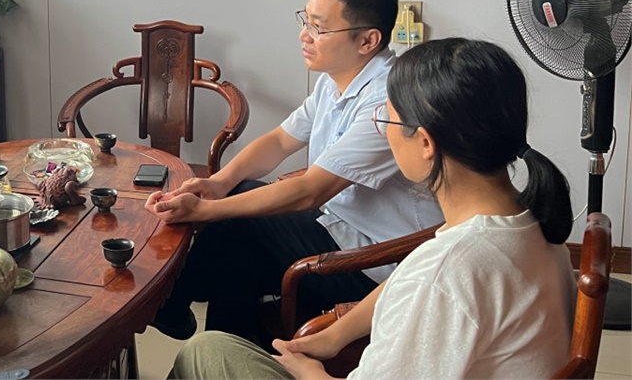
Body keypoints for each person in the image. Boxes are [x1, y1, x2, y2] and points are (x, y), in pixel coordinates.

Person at [170, 37, 576, 379]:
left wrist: (310, 373)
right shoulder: (533, 225)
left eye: (389, 120)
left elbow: (425, 281)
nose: (382, 127)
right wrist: (335, 335)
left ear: (425, 143)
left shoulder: (442, 274)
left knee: (205, 352)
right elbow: (406, 282)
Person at [147, 0, 443, 341]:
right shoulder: (334, 81)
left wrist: (204, 210)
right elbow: (280, 141)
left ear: (368, 40)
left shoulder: (387, 100)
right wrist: (218, 183)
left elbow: (311, 192)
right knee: (237, 257)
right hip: (338, 227)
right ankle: (222, 350)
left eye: (319, 28)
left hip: (377, 263)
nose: (304, 35)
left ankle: (171, 303)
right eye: (306, 20)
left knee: (236, 216)